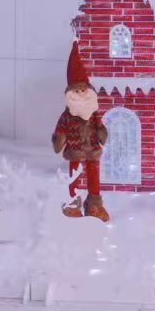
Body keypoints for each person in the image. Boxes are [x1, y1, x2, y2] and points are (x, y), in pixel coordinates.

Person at [52, 43, 110, 221]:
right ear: (71, 94)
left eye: (83, 90)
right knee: (74, 176)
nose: (80, 93)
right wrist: (59, 139)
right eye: (76, 90)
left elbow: (100, 126)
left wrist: (102, 133)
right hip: (75, 150)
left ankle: (94, 204)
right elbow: (61, 128)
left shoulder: (93, 112)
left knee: (94, 175)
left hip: (92, 148)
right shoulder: (68, 114)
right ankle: (73, 203)